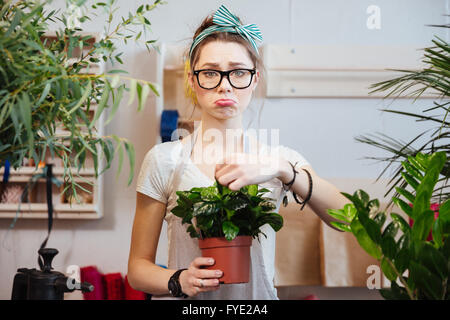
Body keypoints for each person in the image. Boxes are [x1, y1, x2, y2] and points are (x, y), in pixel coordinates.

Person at [127, 5, 350, 300]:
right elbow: (137, 269)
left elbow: (348, 220)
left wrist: (283, 170)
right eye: (210, 73)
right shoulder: (163, 160)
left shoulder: (278, 158)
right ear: (193, 80)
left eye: (238, 72)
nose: (225, 86)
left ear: (254, 79)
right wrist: (178, 279)